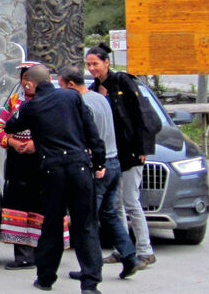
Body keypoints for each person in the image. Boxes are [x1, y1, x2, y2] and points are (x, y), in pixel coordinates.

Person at [4, 64, 106, 294]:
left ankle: (46, 278)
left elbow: (11, 125)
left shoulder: (31, 106)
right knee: (86, 225)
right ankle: (90, 283)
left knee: (51, 227)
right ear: (50, 79)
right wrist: (99, 162)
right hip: (80, 168)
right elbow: (91, 132)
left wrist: (23, 109)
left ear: (30, 84)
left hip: (52, 172)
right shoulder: (72, 97)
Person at [59, 66, 139, 281]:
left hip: (98, 167)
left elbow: (87, 137)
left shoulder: (82, 104)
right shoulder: (100, 98)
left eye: (62, 86)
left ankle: (90, 269)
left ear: (71, 85)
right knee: (110, 213)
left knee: (87, 221)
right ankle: (130, 255)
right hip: (114, 163)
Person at [85, 43, 161, 270]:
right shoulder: (94, 88)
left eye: (95, 64)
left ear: (107, 62)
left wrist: (143, 149)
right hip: (112, 155)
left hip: (131, 153)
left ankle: (145, 250)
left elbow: (143, 115)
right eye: (88, 65)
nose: (92, 69)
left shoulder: (123, 82)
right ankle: (123, 249)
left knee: (130, 201)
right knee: (115, 205)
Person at [0, 61, 62, 270]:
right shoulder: (15, 101)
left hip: (42, 161)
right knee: (18, 205)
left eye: (29, 77)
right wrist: (13, 142)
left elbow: (60, 131)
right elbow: (1, 126)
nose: (25, 82)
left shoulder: (51, 102)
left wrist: (37, 144)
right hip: (17, 163)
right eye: (23, 77)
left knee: (41, 205)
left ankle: (42, 252)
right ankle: (22, 255)